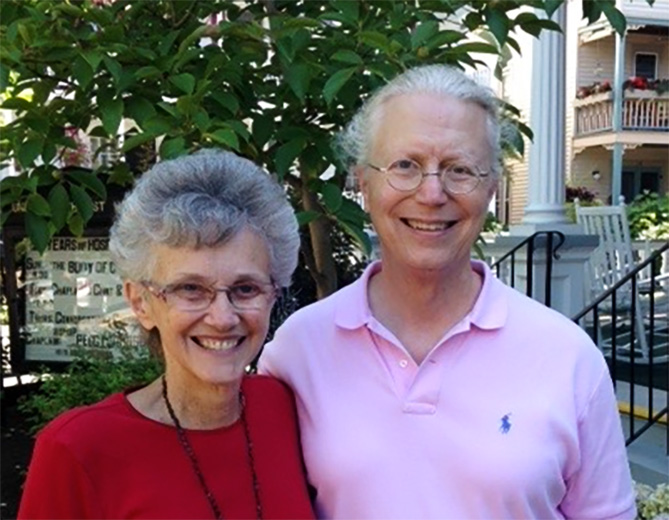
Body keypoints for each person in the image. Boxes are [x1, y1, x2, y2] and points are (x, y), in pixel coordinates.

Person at [258, 65, 636, 519]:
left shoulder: (566, 357)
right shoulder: (299, 350)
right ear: (364, 182)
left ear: (491, 188)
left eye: (460, 170)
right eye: (405, 166)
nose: (432, 193)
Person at [19, 150, 314, 519]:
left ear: (273, 294)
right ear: (140, 302)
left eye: (245, 289)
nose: (222, 318)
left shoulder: (283, 408)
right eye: (190, 289)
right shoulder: (78, 448)